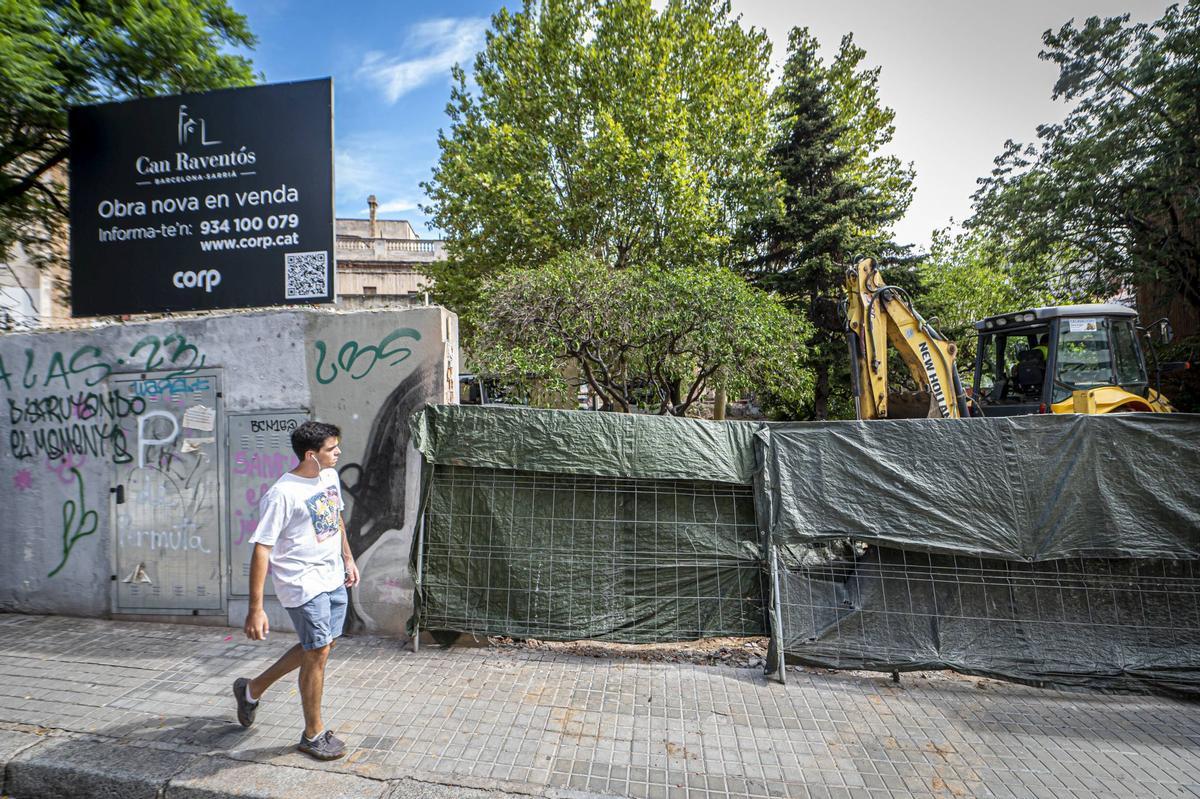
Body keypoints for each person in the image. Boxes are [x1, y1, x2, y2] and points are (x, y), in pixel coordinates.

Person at [232, 420, 360, 760]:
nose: (338, 453)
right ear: (310, 455)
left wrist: (348, 558)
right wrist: (255, 608)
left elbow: (336, 519)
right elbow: (262, 548)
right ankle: (312, 734)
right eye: (332, 449)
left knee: (319, 647)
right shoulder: (282, 494)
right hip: (302, 583)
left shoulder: (328, 476)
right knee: (317, 652)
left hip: (332, 576)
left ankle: (252, 689)